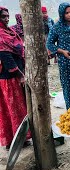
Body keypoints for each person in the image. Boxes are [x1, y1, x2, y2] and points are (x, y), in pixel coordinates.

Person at [0, 7, 31, 150]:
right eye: (3, 17)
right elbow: (6, 58)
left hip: (16, 75)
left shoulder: (9, 31)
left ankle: (22, 137)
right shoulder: (0, 35)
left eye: (7, 16)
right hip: (9, 78)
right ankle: (14, 139)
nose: (6, 19)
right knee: (13, 109)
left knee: (20, 108)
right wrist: (21, 75)